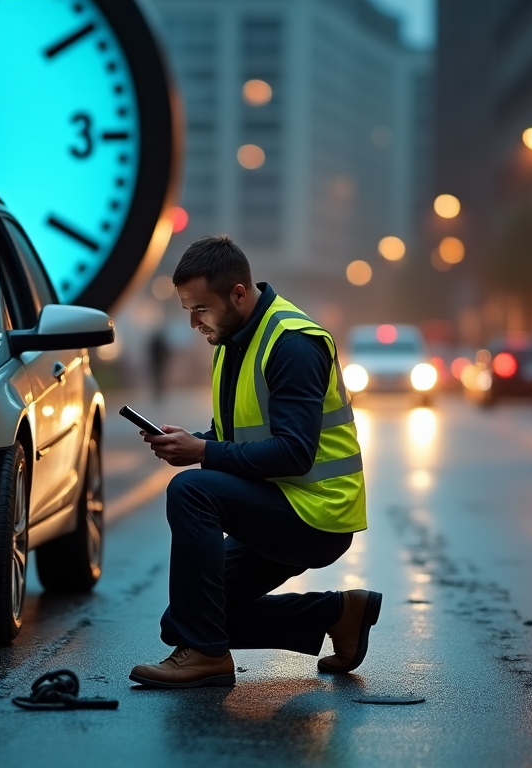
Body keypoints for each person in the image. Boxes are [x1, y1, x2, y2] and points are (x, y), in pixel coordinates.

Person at [129, 235, 380, 689]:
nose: (192, 323)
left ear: (238, 294)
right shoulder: (232, 340)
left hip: (317, 511)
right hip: (278, 499)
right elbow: (235, 439)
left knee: (190, 491)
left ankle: (207, 656)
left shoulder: (293, 344)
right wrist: (190, 441)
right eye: (187, 310)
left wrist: (202, 453)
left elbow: (294, 453)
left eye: (200, 309)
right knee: (183, 618)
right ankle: (338, 614)